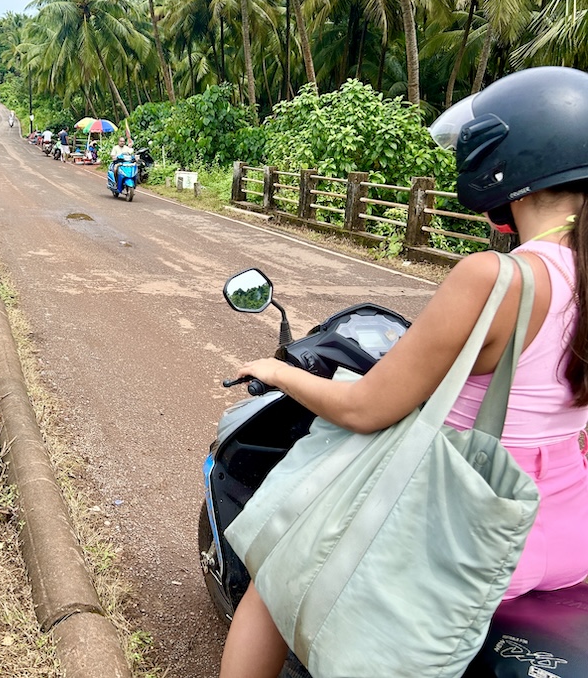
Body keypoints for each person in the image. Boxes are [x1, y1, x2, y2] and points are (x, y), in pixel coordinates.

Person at [220, 66, 588, 678]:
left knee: (275, 581)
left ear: (504, 169)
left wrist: (279, 373)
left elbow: (367, 407)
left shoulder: (498, 279)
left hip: (463, 525)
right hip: (568, 536)